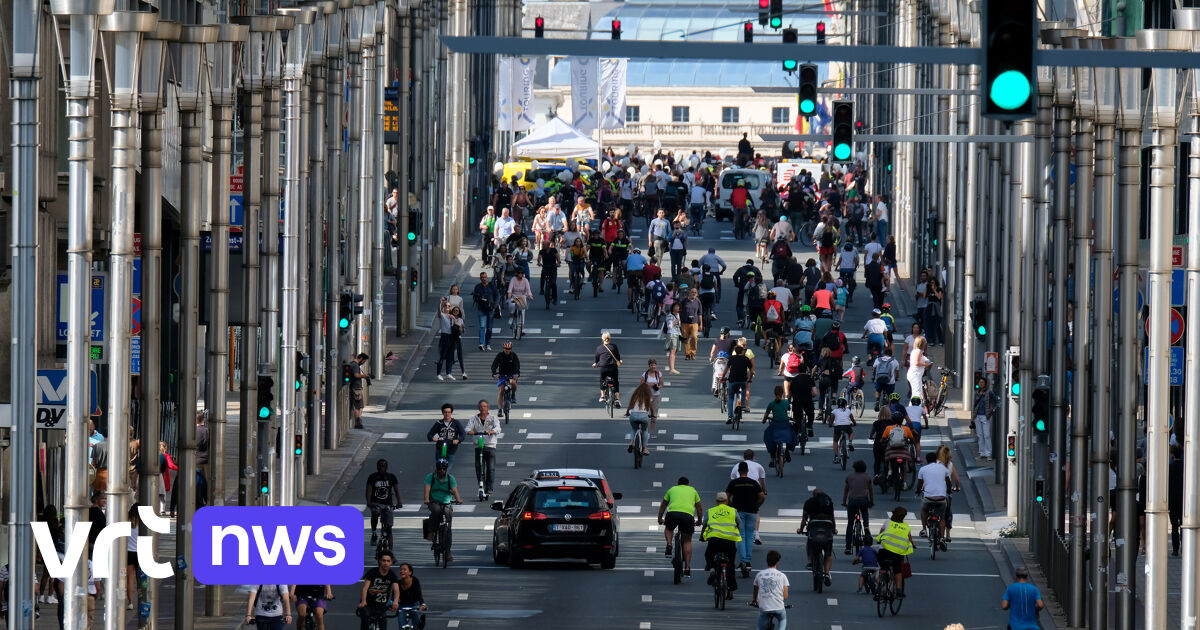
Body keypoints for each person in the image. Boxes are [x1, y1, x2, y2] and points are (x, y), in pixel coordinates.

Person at [658, 477, 703, 578]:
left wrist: (660, 518)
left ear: (678, 484)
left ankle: (669, 544)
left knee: (669, 528)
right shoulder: (693, 491)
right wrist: (699, 521)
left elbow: (663, 505)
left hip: (673, 514)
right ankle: (687, 567)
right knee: (687, 541)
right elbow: (699, 508)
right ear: (688, 484)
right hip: (687, 516)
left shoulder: (672, 489)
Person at [726, 462, 765, 573]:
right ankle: (748, 561)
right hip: (752, 512)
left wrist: (730, 506)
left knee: (741, 536)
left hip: (738, 512)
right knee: (749, 536)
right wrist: (756, 506)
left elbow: (726, 496)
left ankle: (744, 560)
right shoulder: (753, 483)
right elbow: (762, 496)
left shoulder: (734, 483)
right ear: (747, 471)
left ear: (738, 471)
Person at [701, 492, 741, 600]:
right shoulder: (733, 511)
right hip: (729, 541)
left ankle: (712, 569)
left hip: (715, 540)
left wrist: (702, 536)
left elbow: (705, 525)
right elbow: (739, 523)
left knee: (708, 554)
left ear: (716, 501)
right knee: (731, 564)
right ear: (727, 501)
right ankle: (731, 590)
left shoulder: (710, 511)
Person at [423, 459, 463, 561]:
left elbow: (454, 490)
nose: (442, 471)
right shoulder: (430, 477)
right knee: (436, 511)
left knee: (448, 526)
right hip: (434, 501)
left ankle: (448, 552)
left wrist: (458, 499)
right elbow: (427, 489)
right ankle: (431, 531)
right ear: (436, 469)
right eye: (440, 469)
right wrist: (427, 499)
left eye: (444, 469)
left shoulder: (450, 478)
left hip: (447, 502)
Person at [796, 488, 836, 586]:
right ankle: (826, 573)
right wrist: (834, 529)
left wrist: (801, 529)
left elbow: (804, 517)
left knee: (809, 542)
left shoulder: (809, 502)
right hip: (827, 529)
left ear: (813, 495)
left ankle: (809, 561)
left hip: (814, 529)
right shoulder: (828, 501)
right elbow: (832, 517)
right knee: (828, 553)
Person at [466, 400, 501, 499]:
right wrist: (470, 431)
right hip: (478, 445)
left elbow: (498, 428)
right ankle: (482, 486)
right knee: (479, 467)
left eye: (485, 406)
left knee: (490, 468)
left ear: (488, 408)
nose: (483, 408)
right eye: (481, 407)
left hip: (490, 445)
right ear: (478, 408)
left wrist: (492, 431)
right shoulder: (474, 419)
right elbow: (467, 428)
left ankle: (489, 487)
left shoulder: (493, 418)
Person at [876, 506, 914, 595]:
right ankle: (899, 590)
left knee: (883, 567)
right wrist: (913, 544)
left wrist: (879, 540)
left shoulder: (887, 522)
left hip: (883, 552)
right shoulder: (905, 527)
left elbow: (881, 534)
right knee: (897, 570)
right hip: (896, 554)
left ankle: (881, 586)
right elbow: (909, 539)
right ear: (903, 517)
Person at [357, 550, 400, 629]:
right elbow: (365, 589)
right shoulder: (372, 572)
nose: (385, 563)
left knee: (383, 625)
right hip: (368, 604)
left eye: (388, 561)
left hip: (382, 606)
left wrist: (395, 602)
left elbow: (396, 590)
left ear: (391, 562)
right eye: (383, 560)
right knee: (365, 621)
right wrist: (363, 601)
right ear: (380, 561)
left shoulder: (392, 575)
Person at [365, 459, 402, 546]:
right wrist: (369, 502)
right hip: (376, 503)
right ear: (377, 467)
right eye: (380, 466)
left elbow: (396, 491)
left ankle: (391, 553)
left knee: (389, 528)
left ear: (386, 467)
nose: (381, 468)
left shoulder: (391, 477)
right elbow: (369, 490)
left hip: (388, 504)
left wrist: (399, 502)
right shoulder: (372, 477)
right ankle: (374, 532)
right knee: (375, 513)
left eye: (383, 466)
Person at [751, 550, 790, 630]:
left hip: (764, 608)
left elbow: (755, 590)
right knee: (783, 619)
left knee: (759, 627)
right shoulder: (782, 576)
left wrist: (755, 600)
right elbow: (785, 596)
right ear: (777, 562)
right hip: (778, 608)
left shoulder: (759, 574)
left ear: (767, 561)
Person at [843, 460, 873, 554]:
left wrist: (844, 502)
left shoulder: (849, 477)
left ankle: (848, 547)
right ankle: (866, 526)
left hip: (852, 501)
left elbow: (846, 490)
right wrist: (872, 501)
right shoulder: (867, 477)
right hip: (864, 500)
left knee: (850, 523)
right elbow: (871, 491)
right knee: (865, 513)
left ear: (854, 468)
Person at [762, 386, 797, 467]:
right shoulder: (786, 403)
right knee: (792, 436)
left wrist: (764, 420)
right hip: (785, 424)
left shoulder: (771, 404)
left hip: (775, 424)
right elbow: (789, 410)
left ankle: (771, 459)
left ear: (774, 393)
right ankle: (787, 450)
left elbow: (766, 415)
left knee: (769, 437)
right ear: (782, 393)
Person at [721, 345, 755, 424]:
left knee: (731, 398)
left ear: (735, 352)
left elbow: (726, 368)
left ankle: (730, 416)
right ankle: (743, 405)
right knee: (744, 389)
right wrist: (749, 379)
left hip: (732, 381)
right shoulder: (746, 359)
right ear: (742, 352)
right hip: (743, 380)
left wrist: (723, 377)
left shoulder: (732, 358)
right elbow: (751, 370)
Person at [426, 403, 466, 469]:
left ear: (451, 413)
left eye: (449, 412)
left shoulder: (456, 423)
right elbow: (429, 434)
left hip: (451, 450)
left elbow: (463, 434)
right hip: (440, 449)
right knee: (439, 471)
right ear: (442, 413)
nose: (447, 414)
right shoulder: (439, 423)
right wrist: (433, 438)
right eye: (445, 412)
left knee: (446, 471)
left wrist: (458, 440)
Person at [472, 272, 501, 351]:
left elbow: (498, 295)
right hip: (481, 309)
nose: (483, 279)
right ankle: (481, 343)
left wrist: (495, 306)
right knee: (482, 326)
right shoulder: (478, 287)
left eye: (485, 277)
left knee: (489, 328)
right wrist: (479, 299)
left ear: (487, 277)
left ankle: (488, 343)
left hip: (491, 309)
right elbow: (474, 297)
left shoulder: (492, 286)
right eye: (482, 277)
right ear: (480, 278)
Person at [593, 331, 622, 407]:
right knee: (615, 382)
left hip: (604, 367)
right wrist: (619, 361)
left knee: (602, 380)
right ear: (610, 338)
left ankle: (602, 396)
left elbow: (596, 359)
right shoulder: (614, 346)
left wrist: (595, 364)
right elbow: (618, 357)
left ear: (602, 339)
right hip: (613, 367)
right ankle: (617, 399)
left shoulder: (599, 348)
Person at [973, 377, 1000, 460]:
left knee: (987, 435)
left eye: (982, 382)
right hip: (977, 416)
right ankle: (982, 453)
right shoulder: (977, 393)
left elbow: (997, 400)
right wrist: (972, 417)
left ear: (985, 384)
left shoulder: (989, 392)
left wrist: (993, 409)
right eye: (980, 382)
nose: (981, 384)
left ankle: (988, 454)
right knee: (980, 435)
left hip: (985, 416)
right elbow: (974, 405)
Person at [395, 562, 427, 630]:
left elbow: (419, 595)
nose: (402, 571)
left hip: (414, 605)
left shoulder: (415, 580)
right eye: (401, 570)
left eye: (404, 569)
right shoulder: (398, 583)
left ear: (410, 572)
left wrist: (422, 604)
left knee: (417, 625)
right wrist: (393, 604)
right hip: (403, 606)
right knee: (402, 626)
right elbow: (394, 596)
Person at [625, 383, 654, 457]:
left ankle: (631, 443)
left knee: (634, 429)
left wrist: (627, 412)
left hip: (633, 415)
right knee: (644, 430)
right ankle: (645, 448)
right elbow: (650, 407)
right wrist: (652, 414)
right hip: (643, 416)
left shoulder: (635, 395)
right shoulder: (648, 396)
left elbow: (630, 405)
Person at [490, 341, 521, 411]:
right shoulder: (499, 355)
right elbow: (494, 365)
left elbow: (517, 366)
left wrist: (516, 374)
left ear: (511, 349)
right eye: (506, 349)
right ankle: (500, 409)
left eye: (509, 349)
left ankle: (513, 394)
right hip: (502, 375)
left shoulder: (514, 355)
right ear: (503, 349)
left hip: (511, 374)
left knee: (513, 382)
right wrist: (494, 374)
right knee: (501, 391)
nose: (507, 350)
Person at [639, 359, 664, 429]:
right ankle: (644, 429)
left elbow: (661, 384)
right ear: (649, 366)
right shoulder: (645, 374)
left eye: (654, 365)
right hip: (647, 395)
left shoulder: (659, 374)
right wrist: (648, 384)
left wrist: (658, 387)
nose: (653, 366)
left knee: (654, 415)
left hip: (656, 396)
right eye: (651, 365)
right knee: (646, 413)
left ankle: (652, 432)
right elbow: (641, 384)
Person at [347, 353, 370, 429]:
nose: (363, 363)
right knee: (358, 406)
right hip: (356, 388)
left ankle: (358, 421)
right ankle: (357, 422)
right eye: (364, 361)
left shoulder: (353, 364)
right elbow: (356, 375)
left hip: (355, 387)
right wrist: (364, 376)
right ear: (361, 358)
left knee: (360, 405)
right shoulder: (355, 365)